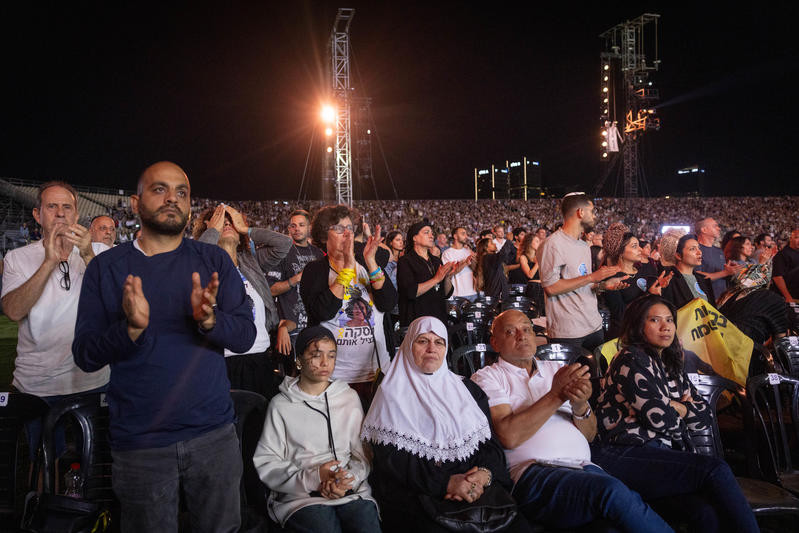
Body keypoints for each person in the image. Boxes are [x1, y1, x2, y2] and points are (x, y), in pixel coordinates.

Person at [73, 161, 255, 532]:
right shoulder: (106, 268)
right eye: (160, 189)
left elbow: (245, 336)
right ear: (136, 203)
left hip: (213, 436)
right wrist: (130, 330)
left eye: (182, 192)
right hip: (141, 444)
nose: (173, 198)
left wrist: (210, 322)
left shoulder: (213, 259)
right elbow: (86, 355)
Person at [471, 310, 672, 532]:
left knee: (612, 525)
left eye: (527, 329)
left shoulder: (556, 370)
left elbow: (589, 434)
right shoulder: (487, 377)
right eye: (511, 331)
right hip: (533, 474)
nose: (522, 335)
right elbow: (509, 436)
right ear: (495, 343)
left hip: (584, 467)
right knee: (612, 491)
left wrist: (580, 405)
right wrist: (556, 395)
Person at [593, 295, 758, 533]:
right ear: (639, 325)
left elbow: (705, 418)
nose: (666, 326)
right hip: (623, 453)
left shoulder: (669, 361)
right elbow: (662, 420)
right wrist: (679, 408)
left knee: (705, 513)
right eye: (655, 320)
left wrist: (678, 407)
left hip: (661, 455)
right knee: (716, 470)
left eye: (669, 320)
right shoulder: (630, 358)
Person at [363, 316, 530, 533]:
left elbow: (491, 446)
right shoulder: (391, 392)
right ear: (408, 346)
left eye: (439, 342)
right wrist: (446, 484)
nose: (432, 348)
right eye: (423, 341)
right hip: (419, 494)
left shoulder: (467, 390)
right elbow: (393, 463)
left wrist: (482, 476)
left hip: (474, 489)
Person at [2, 181, 110, 456]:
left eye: (67, 207)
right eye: (52, 206)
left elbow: (116, 303)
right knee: (44, 464)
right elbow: (13, 310)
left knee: (96, 464)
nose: (60, 213)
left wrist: (86, 254)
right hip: (38, 385)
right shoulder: (18, 258)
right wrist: (49, 262)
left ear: (76, 215)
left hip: (93, 380)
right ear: (38, 215)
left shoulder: (99, 254)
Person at [253, 326, 380, 532]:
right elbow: (268, 463)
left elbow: (363, 455)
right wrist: (315, 477)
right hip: (301, 496)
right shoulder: (281, 405)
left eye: (331, 356)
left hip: (348, 490)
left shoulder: (348, 398)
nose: (325, 363)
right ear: (299, 360)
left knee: (366, 524)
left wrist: (347, 480)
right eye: (316, 355)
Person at [300, 204, 396, 404]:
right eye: (338, 228)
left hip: (377, 373)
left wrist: (370, 261)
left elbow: (388, 303)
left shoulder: (366, 265)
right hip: (336, 377)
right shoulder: (314, 271)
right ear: (324, 236)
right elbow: (322, 312)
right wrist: (345, 272)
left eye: (350, 228)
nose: (347, 233)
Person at [194, 203, 291, 397]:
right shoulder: (205, 263)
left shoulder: (251, 261)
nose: (228, 224)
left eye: (232, 222)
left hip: (261, 357)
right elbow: (196, 259)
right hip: (223, 360)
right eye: (222, 221)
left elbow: (284, 244)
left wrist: (246, 229)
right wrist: (213, 230)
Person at [537, 193, 628, 351]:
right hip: (568, 332)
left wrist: (602, 286)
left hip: (593, 325)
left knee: (596, 374)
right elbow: (551, 288)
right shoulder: (553, 244)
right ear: (581, 212)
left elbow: (584, 284)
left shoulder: (583, 246)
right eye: (592, 211)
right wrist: (592, 277)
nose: (594, 216)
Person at [268, 209, 325, 356]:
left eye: (301, 225)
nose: (297, 229)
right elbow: (271, 290)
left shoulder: (318, 254)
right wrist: (297, 278)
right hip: (291, 329)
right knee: (293, 375)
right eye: (293, 226)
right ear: (288, 229)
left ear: (309, 228)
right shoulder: (282, 253)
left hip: (317, 326)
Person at [601, 223, 672, 339]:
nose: (640, 250)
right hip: (625, 336)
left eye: (639, 245)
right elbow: (620, 313)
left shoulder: (643, 272)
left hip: (645, 334)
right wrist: (648, 295)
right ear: (620, 252)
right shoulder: (611, 277)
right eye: (634, 246)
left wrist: (660, 287)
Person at [397, 219, 459, 327]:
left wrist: (448, 276)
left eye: (432, 233)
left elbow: (446, 293)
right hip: (417, 320)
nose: (431, 236)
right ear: (414, 238)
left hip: (438, 318)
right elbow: (410, 292)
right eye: (426, 232)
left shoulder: (436, 260)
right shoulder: (405, 261)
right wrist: (436, 279)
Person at [660, 234, 714, 309]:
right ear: (678, 255)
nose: (699, 252)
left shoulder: (703, 280)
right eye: (692, 249)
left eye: (698, 248)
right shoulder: (668, 281)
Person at [695, 218, 740, 298]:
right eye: (715, 226)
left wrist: (731, 270)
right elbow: (697, 276)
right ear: (704, 230)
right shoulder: (696, 250)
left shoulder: (719, 251)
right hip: (706, 300)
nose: (719, 228)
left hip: (722, 298)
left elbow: (721, 274)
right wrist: (726, 272)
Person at [441, 226, 477, 302]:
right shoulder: (447, 253)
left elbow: (475, 270)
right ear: (455, 236)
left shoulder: (468, 251)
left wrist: (473, 261)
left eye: (466, 234)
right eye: (463, 234)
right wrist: (465, 263)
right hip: (457, 294)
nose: (466, 236)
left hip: (473, 292)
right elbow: (448, 274)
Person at [772, 228, 799, 303]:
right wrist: (788, 297)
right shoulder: (782, 254)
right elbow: (777, 277)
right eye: (797, 237)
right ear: (790, 238)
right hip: (790, 299)